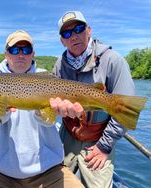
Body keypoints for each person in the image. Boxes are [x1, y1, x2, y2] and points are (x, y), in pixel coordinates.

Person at [0, 30, 84, 188]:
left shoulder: (47, 78)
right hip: (0, 173)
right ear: (6, 54)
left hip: (49, 171)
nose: (21, 54)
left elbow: (48, 122)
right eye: (15, 50)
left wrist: (48, 112)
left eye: (26, 50)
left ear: (33, 54)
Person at [52, 11, 136, 188]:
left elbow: (127, 109)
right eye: (67, 33)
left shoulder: (113, 61)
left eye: (78, 29)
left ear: (88, 30)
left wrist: (104, 147)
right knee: (55, 179)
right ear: (62, 40)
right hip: (68, 133)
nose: (73, 36)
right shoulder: (60, 64)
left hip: (99, 138)